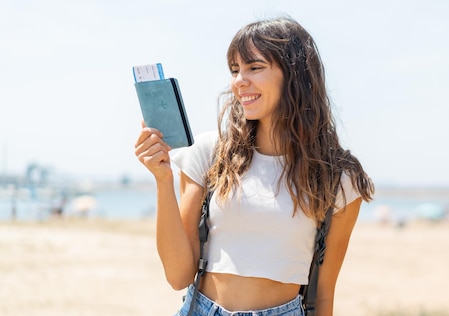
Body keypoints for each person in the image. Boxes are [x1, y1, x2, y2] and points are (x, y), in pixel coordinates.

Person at [134, 16, 374, 316]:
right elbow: (178, 276)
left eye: (254, 67)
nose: (239, 81)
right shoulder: (210, 154)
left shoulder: (337, 177)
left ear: (294, 75)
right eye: (235, 70)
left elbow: (323, 296)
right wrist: (162, 180)